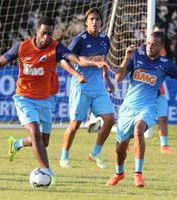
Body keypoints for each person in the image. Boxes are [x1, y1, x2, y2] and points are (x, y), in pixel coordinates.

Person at [0, 16, 109, 185]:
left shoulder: (56, 47)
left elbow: (77, 59)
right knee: (35, 132)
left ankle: (16, 144)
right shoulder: (22, 48)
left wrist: (92, 63)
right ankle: (48, 173)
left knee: (43, 142)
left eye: (50, 34)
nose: (46, 37)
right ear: (36, 31)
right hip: (24, 98)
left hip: (45, 100)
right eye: (44, 33)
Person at [106, 32, 177, 187]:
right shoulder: (136, 57)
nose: (151, 46)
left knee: (139, 130)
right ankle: (119, 173)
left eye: (155, 44)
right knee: (120, 149)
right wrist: (126, 58)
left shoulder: (166, 64)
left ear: (162, 47)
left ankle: (138, 174)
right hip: (127, 108)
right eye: (149, 43)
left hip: (148, 106)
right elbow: (118, 78)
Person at [59, 8, 115, 169]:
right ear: (86, 22)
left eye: (97, 19)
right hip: (81, 88)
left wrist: (107, 80)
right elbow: (64, 61)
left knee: (110, 119)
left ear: (101, 22)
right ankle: (64, 156)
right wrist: (77, 75)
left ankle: (95, 153)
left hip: (98, 88)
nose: (95, 22)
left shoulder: (105, 39)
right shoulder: (79, 40)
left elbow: (102, 61)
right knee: (75, 125)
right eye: (91, 19)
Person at [144, 22, 173, 154]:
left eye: (162, 32)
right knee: (139, 121)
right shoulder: (145, 49)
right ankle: (125, 142)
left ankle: (164, 146)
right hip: (146, 89)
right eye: (157, 31)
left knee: (163, 117)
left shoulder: (165, 51)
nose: (160, 34)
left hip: (159, 88)